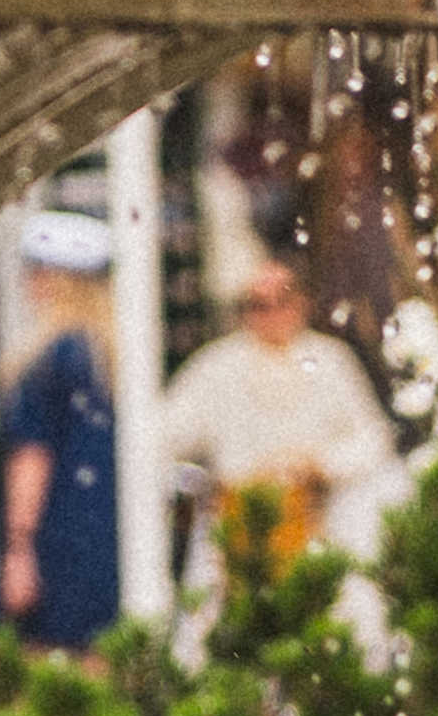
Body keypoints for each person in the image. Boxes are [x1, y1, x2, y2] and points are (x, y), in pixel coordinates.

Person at [161, 238, 398, 588]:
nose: (272, 314)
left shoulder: (331, 359)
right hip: (239, 521)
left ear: (302, 302)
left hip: (322, 519)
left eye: (282, 301)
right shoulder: (217, 365)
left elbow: (374, 438)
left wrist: (320, 464)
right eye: (258, 305)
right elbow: (165, 434)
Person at [0, 208, 122, 651]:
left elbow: (32, 457)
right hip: (106, 536)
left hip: (56, 540)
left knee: (47, 685)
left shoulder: (46, 360)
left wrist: (19, 548)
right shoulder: (108, 359)